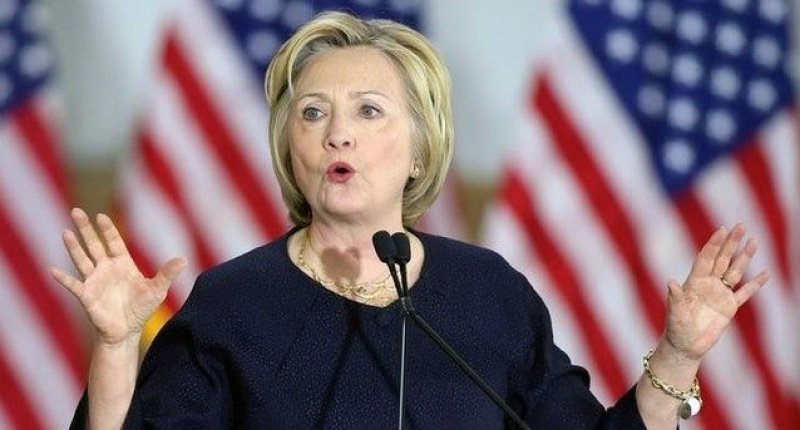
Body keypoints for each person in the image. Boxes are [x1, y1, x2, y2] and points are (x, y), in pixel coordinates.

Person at [54, 11, 768, 429]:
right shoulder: (233, 303)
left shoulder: (489, 292)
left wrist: (678, 354)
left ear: (420, 148)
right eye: (313, 114)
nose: (338, 134)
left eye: (368, 110)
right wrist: (116, 346)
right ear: (290, 150)